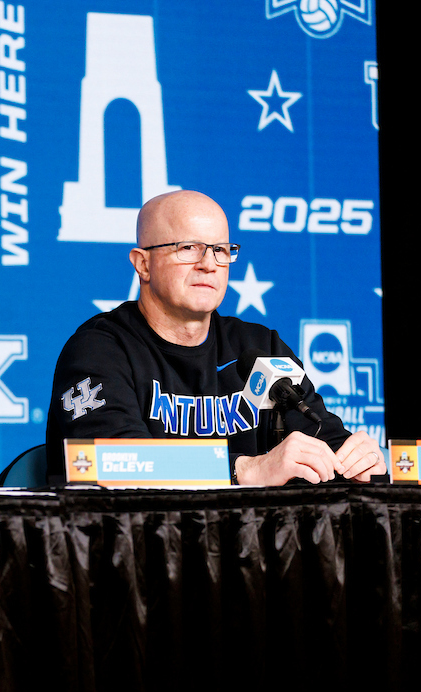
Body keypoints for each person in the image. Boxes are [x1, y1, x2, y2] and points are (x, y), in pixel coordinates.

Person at [45, 190, 385, 486]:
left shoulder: (260, 348)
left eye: (221, 250)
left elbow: (321, 436)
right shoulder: (98, 350)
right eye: (188, 247)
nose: (209, 264)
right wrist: (242, 470)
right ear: (143, 265)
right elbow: (115, 462)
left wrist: (355, 459)